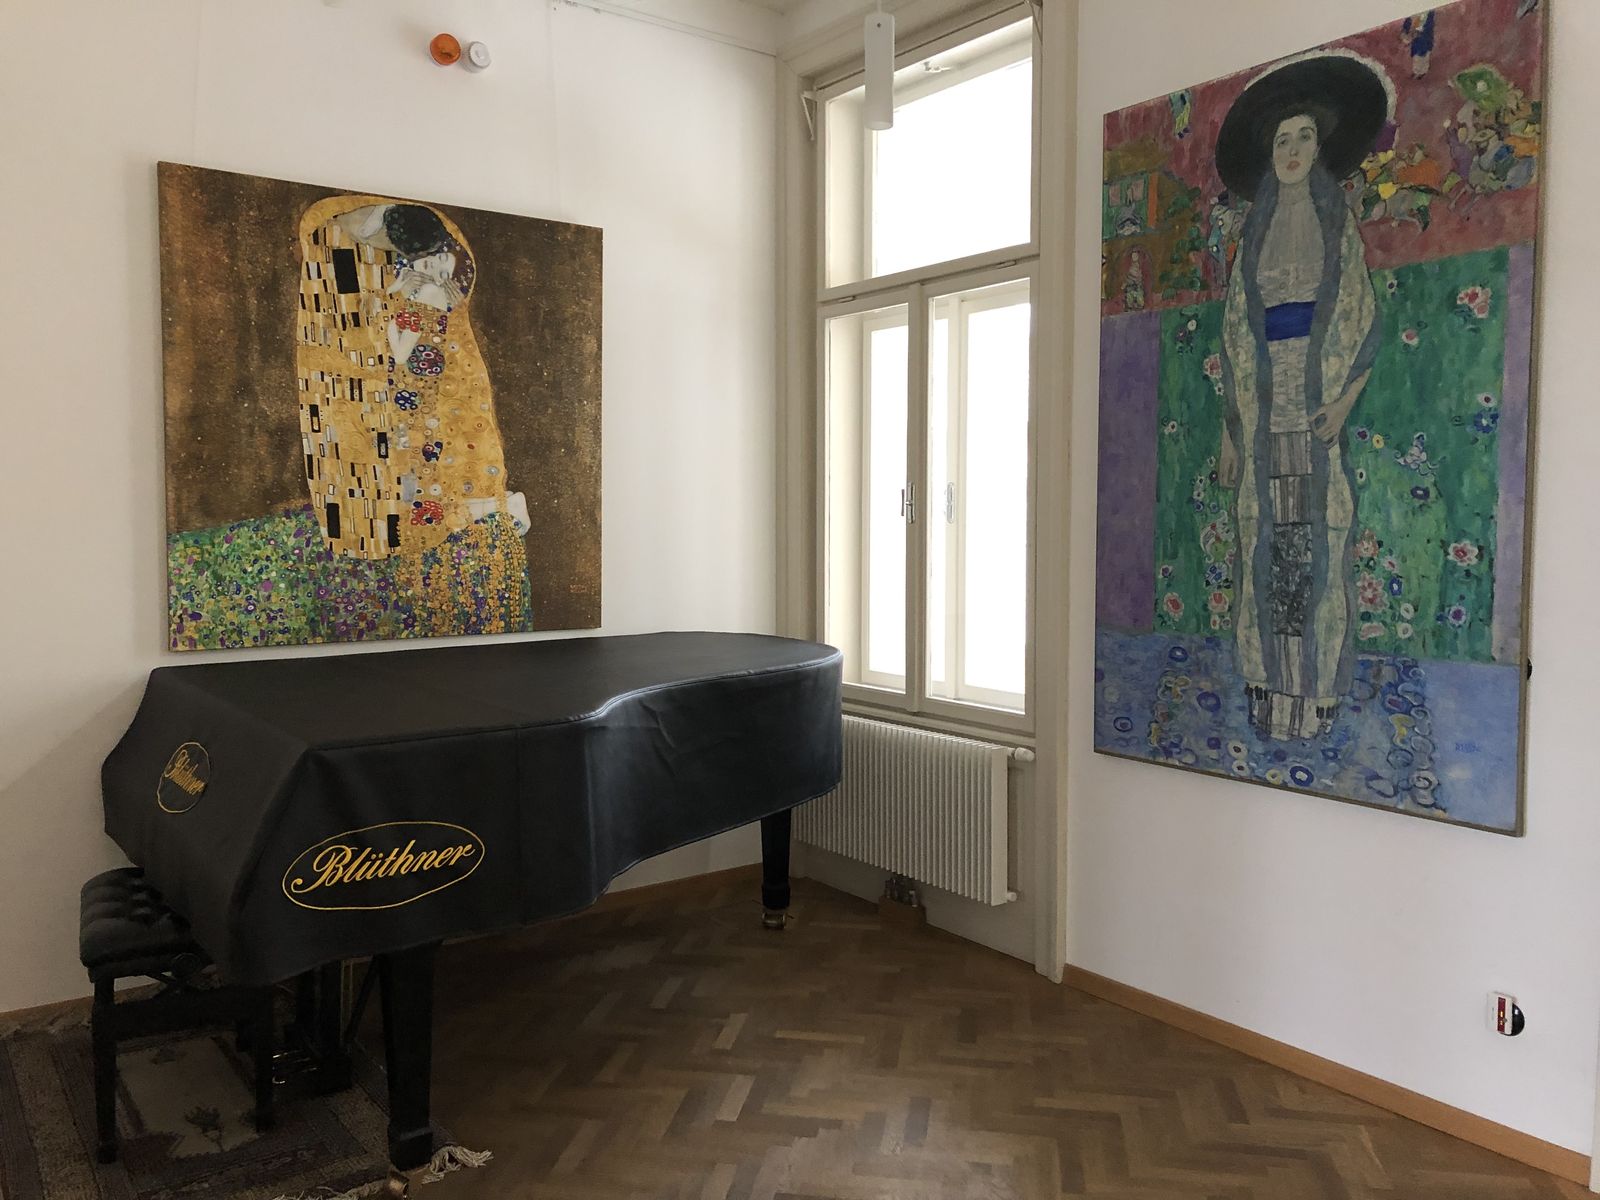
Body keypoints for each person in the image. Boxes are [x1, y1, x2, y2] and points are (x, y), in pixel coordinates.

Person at [1214, 55, 1389, 740]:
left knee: (1318, 543)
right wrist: (1232, 431)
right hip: (1264, 414)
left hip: (1316, 413)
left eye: (1304, 138)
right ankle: (1267, 681)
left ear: (1320, 148)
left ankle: (1315, 689)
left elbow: (1363, 324)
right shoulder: (1253, 239)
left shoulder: (1338, 230)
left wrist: (1342, 404)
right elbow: (1236, 336)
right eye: (1282, 140)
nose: (1291, 151)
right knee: (1264, 544)